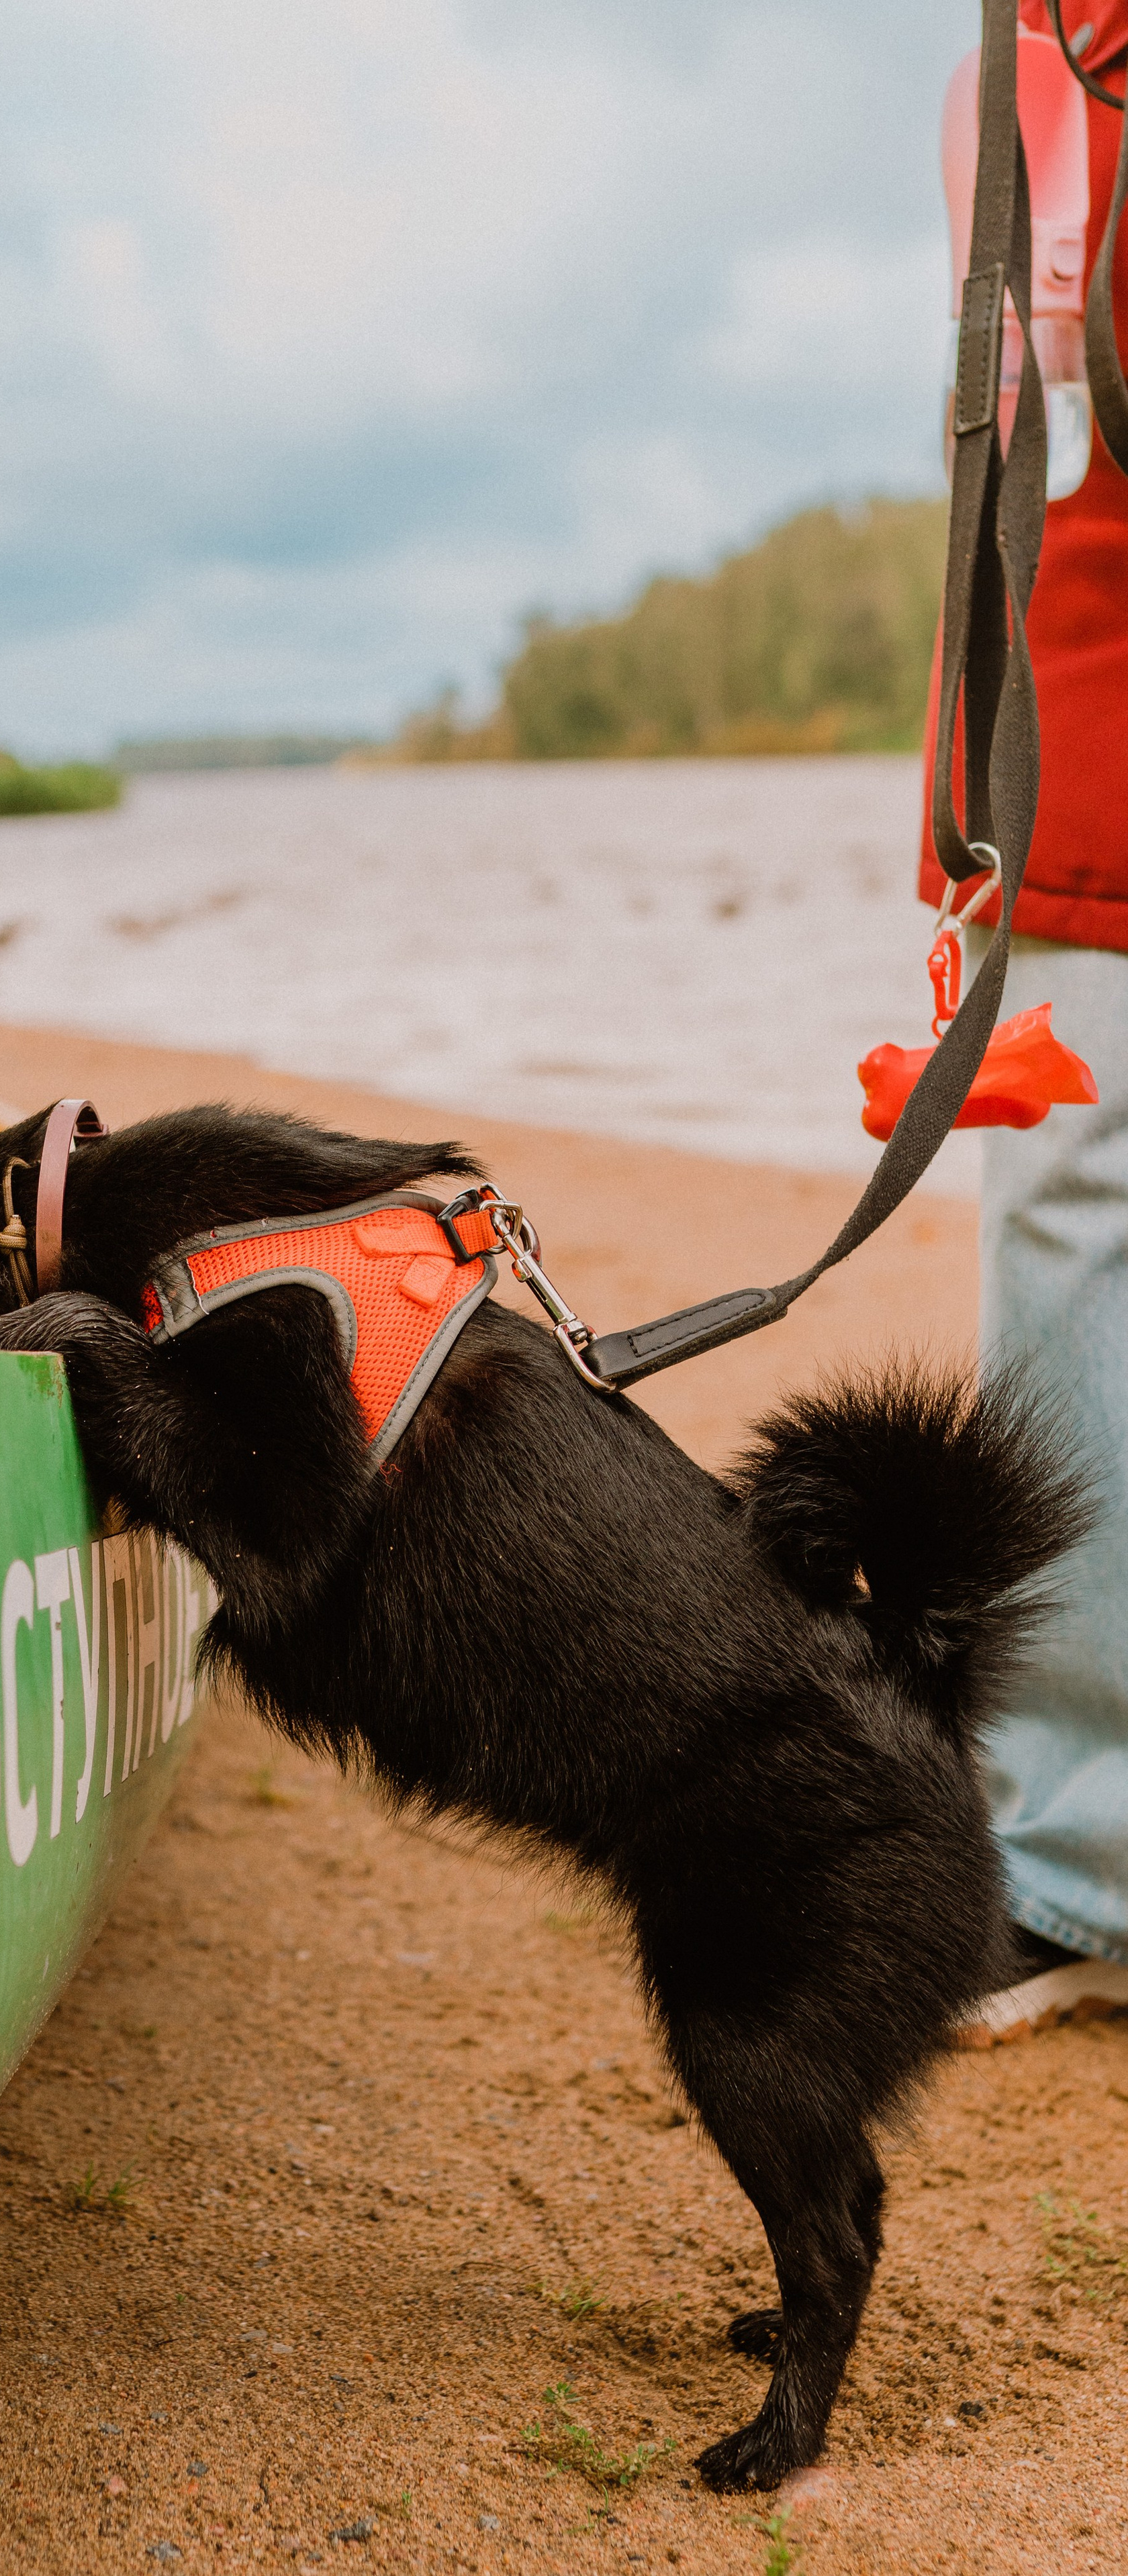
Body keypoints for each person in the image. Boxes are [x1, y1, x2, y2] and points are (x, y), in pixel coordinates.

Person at [920, 0, 1128, 2041]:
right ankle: (1076, 1858)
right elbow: (1021, 383)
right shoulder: (1016, 62)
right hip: (1079, 635)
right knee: (1070, 1208)